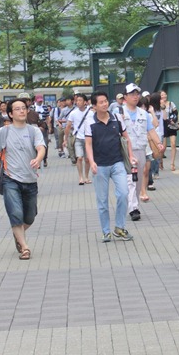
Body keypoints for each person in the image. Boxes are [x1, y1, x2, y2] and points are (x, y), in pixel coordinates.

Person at [0, 98, 46, 261]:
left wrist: (38, 158)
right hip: (10, 179)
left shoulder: (33, 131)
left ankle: (18, 235)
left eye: (24, 108)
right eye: (17, 109)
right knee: (15, 213)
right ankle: (25, 247)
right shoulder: (4, 132)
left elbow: (41, 147)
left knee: (30, 217)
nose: (22, 111)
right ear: (10, 114)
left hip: (30, 180)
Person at [85, 91, 136, 243]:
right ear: (94, 106)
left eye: (106, 101)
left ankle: (119, 227)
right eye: (100, 102)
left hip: (117, 162)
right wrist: (92, 161)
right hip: (100, 165)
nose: (104, 104)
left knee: (123, 193)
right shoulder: (90, 122)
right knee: (102, 201)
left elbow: (126, 139)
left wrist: (131, 155)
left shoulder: (117, 118)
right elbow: (88, 144)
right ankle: (106, 231)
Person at [119, 83, 163, 220]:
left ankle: (134, 204)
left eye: (137, 94)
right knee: (130, 179)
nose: (135, 96)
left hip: (140, 149)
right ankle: (133, 208)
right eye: (132, 94)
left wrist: (159, 143)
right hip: (125, 151)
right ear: (125, 97)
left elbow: (151, 130)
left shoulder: (144, 114)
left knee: (137, 181)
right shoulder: (118, 113)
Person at [64, 93, 92, 185]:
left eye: (80, 100)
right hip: (78, 138)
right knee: (79, 158)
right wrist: (65, 139)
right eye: (77, 101)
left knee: (87, 159)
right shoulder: (73, 113)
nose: (78, 102)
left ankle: (87, 177)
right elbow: (68, 126)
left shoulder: (91, 112)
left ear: (85, 102)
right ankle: (80, 177)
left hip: (88, 139)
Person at [30, 94, 52, 167]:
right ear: (35, 100)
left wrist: (49, 127)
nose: (40, 102)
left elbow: (48, 118)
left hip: (43, 127)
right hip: (35, 127)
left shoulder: (45, 107)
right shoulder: (32, 108)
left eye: (41, 101)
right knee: (35, 144)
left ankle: (44, 159)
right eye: (38, 101)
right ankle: (37, 160)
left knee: (45, 143)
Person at [160, 90, 178, 171]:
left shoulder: (171, 103)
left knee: (173, 143)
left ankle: (172, 163)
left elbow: (176, 113)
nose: (164, 96)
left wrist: (173, 120)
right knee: (163, 147)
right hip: (162, 125)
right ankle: (160, 161)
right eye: (162, 95)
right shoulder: (158, 105)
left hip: (171, 124)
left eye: (165, 94)